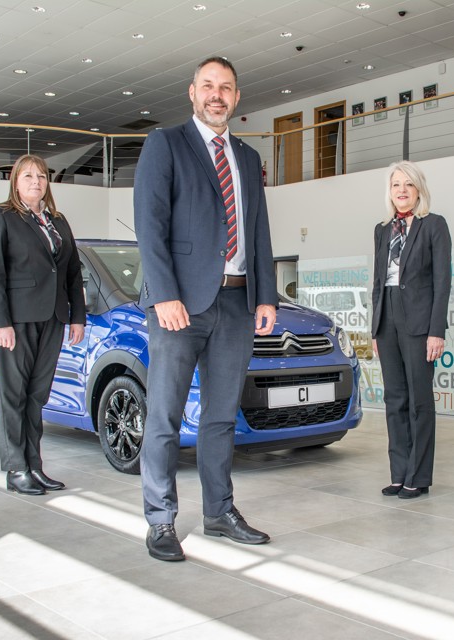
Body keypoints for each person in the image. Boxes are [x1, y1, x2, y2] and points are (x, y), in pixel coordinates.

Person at [133, 56, 277, 562]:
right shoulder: (165, 144)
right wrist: (165, 293)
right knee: (165, 416)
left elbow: (258, 231)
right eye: (209, 86)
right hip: (178, 307)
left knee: (221, 416)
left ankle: (219, 511)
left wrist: (266, 295)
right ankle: (160, 519)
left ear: (236, 98)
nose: (218, 95)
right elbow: (150, 227)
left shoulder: (247, 156)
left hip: (237, 302)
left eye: (227, 88)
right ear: (192, 92)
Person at [0, 154, 86, 496]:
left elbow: (71, 272)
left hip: (53, 318)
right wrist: (1, 322)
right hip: (16, 320)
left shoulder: (57, 220)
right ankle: (15, 468)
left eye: (41, 176)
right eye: (28, 176)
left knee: (36, 397)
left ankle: (34, 466)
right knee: (13, 396)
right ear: (15, 181)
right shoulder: (0, 216)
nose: (36, 181)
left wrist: (78, 316)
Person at [370, 161, 451, 499]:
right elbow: (377, 280)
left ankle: (418, 476)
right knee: (395, 399)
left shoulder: (434, 225)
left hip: (419, 321)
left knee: (419, 401)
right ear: (390, 193)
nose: (401, 190)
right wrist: (375, 328)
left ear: (419, 190)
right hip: (387, 316)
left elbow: (442, 282)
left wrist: (437, 331)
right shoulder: (382, 229)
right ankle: (399, 473)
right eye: (395, 185)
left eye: (408, 185)